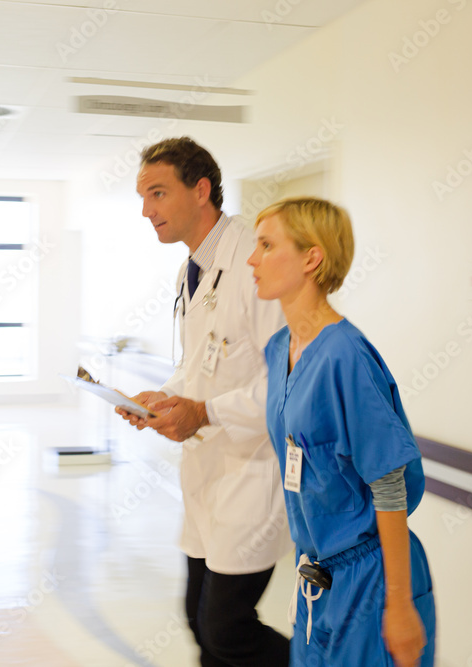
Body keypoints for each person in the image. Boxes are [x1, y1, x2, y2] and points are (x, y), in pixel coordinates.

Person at [116, 137, 292, 667]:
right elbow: (201, 364)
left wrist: (206, 412)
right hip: (207, 475)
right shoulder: (190, 269)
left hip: (252, 474)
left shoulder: (253, 265)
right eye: (143, 196)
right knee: (199, 619)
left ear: (200, 190)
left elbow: (285, 381)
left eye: (157, 193)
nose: (146, 210)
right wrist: (165, 397)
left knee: (228, 629)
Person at [246, 196, 436, 667]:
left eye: (268, 245)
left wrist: (399, 602)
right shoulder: (278, 350)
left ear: (312, 258)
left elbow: (389, 482)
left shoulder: (345, 356)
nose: (253, 259)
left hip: (371, 579)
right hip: (316, 576)